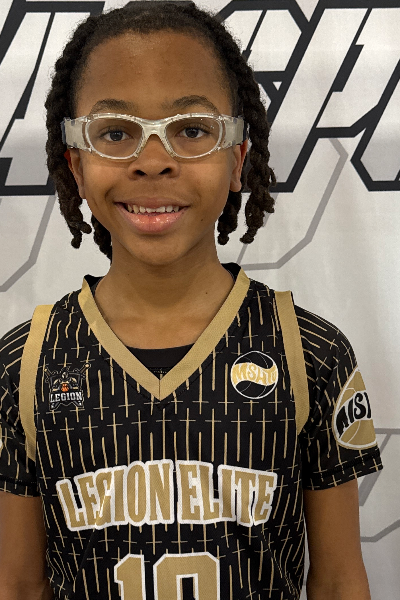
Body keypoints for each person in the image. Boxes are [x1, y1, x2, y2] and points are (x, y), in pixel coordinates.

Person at [0, 2, 382, 599]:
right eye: (116, 133)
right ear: (76, 166)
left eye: (192, 130)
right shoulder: (25, 365)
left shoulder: (310, 353)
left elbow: (337, 581)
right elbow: (20, 585)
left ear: (237, 161)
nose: (153, 161)